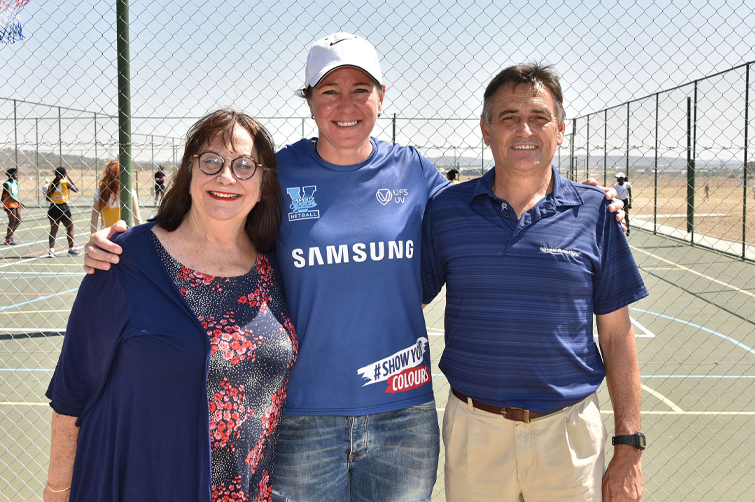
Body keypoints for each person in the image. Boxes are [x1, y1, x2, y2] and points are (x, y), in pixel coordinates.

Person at [82, 35, 625, 502]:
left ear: (381, 98)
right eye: (330, 90)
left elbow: (492, 204)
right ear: (311, 101)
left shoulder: (416, 173)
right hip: (302, 415)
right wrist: (128, 242)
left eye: (360, 89)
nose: (346, 104)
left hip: (402, 417)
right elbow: (212, 214)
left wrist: (586, 201)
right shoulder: (278, 171)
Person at [44, 109, 298, 502]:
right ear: (189, 173)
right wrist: (57, 490)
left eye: (244, 165)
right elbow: (72, 389)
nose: (226, 176)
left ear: (264, 185)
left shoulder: (273, 268)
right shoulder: (125, 259)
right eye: (211, 161)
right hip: (145, 483)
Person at [422, 63, 647, 502]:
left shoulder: (596, 213)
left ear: (560, 130)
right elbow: (404, 298)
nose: (524, 129)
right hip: (475, 431)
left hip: (569, 436)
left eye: (539, 117)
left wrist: (629, 446)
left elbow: (618, 335)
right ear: (486, 130)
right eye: (508, 117)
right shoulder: (447, 210)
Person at [90, 160, 143, 234]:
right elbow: (137, 219)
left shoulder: (100, 192)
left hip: (107, 234)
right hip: (127, 234)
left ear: (107, 173)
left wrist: (94, 236)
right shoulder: (129, 191)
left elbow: (94, 219)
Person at [46, 167, 81, 257]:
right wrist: (69, 178)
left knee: (53, 230)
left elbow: (47, 197)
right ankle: (71, 249)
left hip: (53, 207)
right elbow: (76, 189)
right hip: (63, 207)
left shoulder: (51, 183)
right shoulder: (65, 183)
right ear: (64, 174)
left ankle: (51, 251)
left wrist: (56, 198)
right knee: (70, 228)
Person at [3, 167, 24, 245]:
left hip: (15, 203)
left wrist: (18, 203)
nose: (16, 175)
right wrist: (19, 202)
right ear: (11, 175)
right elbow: (9, 195)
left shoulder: (15, 183)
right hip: (9, 204)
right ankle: (8, 239)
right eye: (15, 174)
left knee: (19, 220)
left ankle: (10, 235)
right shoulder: (6, 184)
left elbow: (16, 194)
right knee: (12, 221)